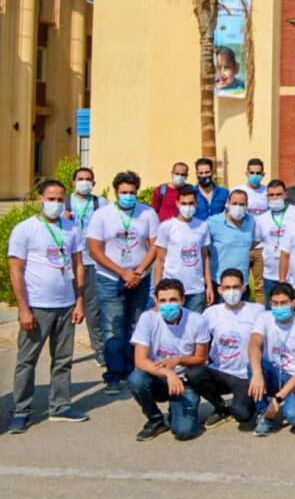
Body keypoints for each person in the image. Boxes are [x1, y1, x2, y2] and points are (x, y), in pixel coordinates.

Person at [8, 179, 88, 433]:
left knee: (63, 359)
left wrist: (79, 300)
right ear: (40, 199)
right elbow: (16, 270)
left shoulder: (71, 228)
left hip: (66, 304)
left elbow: (78, 265)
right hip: (37, 306)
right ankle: (21, 410)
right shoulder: (25, 229)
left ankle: (60, 406)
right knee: (27, 361)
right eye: (51, 199)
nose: (56, 203)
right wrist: (24, 308)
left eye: (60, 199)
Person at [87, 171, 160, 394]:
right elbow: (94, 250)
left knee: (135, 325)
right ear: (116, 192)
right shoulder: (102, 215)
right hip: (110, 279)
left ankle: (132, 370)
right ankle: (113, 374)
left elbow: (155, 246)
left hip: (139, 278)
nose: (128, 196)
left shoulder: (147, 213)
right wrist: (122, 273)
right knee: (113, 328)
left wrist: (138, 271)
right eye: (124, 192)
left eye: (132, 192)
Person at [127, 278, 208, 441]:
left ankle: (178, 408)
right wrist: (168, 373)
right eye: (163, 300)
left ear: (182, 300)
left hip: (184, 381)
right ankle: (155, 420)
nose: (167, 305)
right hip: (158, 377)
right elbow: (140, 361)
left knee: (184, 432)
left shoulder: (197, 321)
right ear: (156, 301)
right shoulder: (147, 319)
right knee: (136, 379)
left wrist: (178, 361)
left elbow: (200, 358)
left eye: (173, 300)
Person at [187, 269, 262, 428]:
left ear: (243, 288)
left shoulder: (257, 310)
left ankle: (251, 403)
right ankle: (221, 408)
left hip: (245, 376)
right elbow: (198, 339)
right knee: (194, 374)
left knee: (242, 414)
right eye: (227, 287)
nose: (231, 291)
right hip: (220, 372)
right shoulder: (210, 313)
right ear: (220, 290)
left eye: (236, 287)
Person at [248, 281, 295, 437]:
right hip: (272, 370)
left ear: (293, 303)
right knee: (253, 365)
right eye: (275, 303)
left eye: (284, 303)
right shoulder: (264, 318)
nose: (279, 307)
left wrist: (278, 398)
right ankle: (264, 413)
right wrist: (257, 374)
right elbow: (254, 343)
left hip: (293, 376)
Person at [65, 167, 107, 366]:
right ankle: (63, 354)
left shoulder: (101, 203)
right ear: (73, 182)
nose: (84, 182)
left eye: (88, 179)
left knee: (93, 309)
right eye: (80, 179)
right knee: (66, 309)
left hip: (91, 262)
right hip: (66, 264)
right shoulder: (63, 203)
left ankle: (99, 350)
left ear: (94, 183)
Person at [154, 186, 212, 311]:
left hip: (196, 289)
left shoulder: (203, 226)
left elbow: (205, 257)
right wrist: (157, 289)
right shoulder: (166, 226)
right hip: (171, 289)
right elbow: (159, 260)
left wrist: (209, 286)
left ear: (196, 203)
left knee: (194, 321)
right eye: (184, 203)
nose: (187, 207)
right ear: (177, 203)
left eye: (191, 203)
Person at [254, 180, 295, 306]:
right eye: (271, 195)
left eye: (279, 194)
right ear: (267, 196)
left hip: (294, 276)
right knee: (272, 310)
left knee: (294, 309)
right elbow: (255, 241)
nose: (275, 198)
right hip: (270, 275)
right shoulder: (262, 219)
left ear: (285, 195)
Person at [205, 189, 255, 289]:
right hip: (218, 282)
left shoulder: (252, 222)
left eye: (241, 204)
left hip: (242, 283)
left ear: (247, 205)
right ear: (227, 203)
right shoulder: (212, 223)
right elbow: (203, 250)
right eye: (234, 203)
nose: (238, 207)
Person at [236, 158, 270, 305]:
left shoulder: (267, 193)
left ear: (263, 174)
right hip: (242, 245)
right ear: (246, 173)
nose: (255, 176)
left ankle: (261, 314)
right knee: (240, 284)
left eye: (258, 173)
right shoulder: (238, 191)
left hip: (261, 247)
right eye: (252, 173)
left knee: (260, 286)